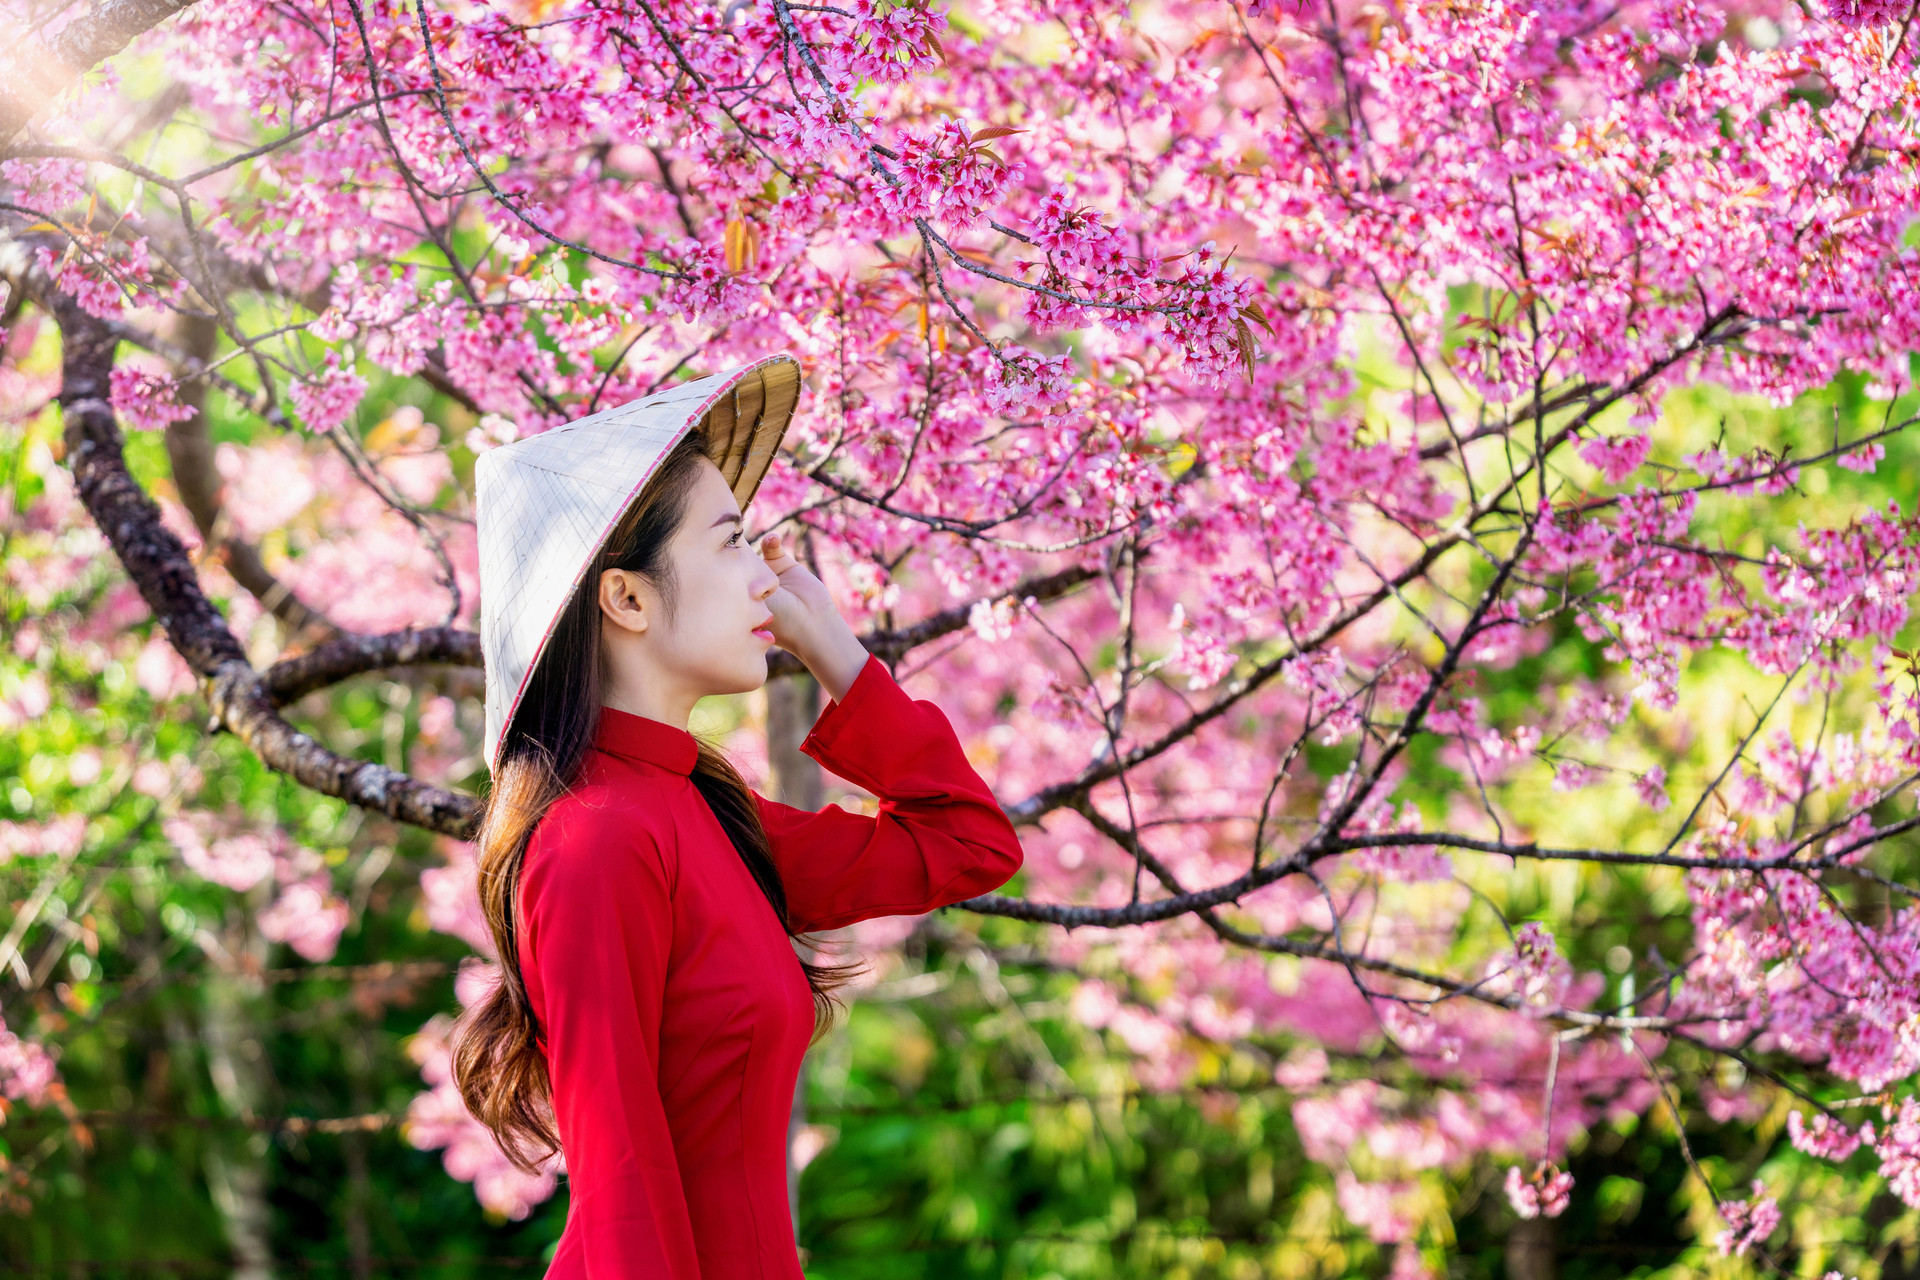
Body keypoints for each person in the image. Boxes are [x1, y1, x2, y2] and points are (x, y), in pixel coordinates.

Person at [451, 355, 1026, 1278]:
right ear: (626, 596)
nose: (766, 575)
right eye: (729, 541)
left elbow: (968, 845)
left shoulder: (707, 814)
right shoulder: (595, 838)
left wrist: (839, 651)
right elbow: (623, 1179)